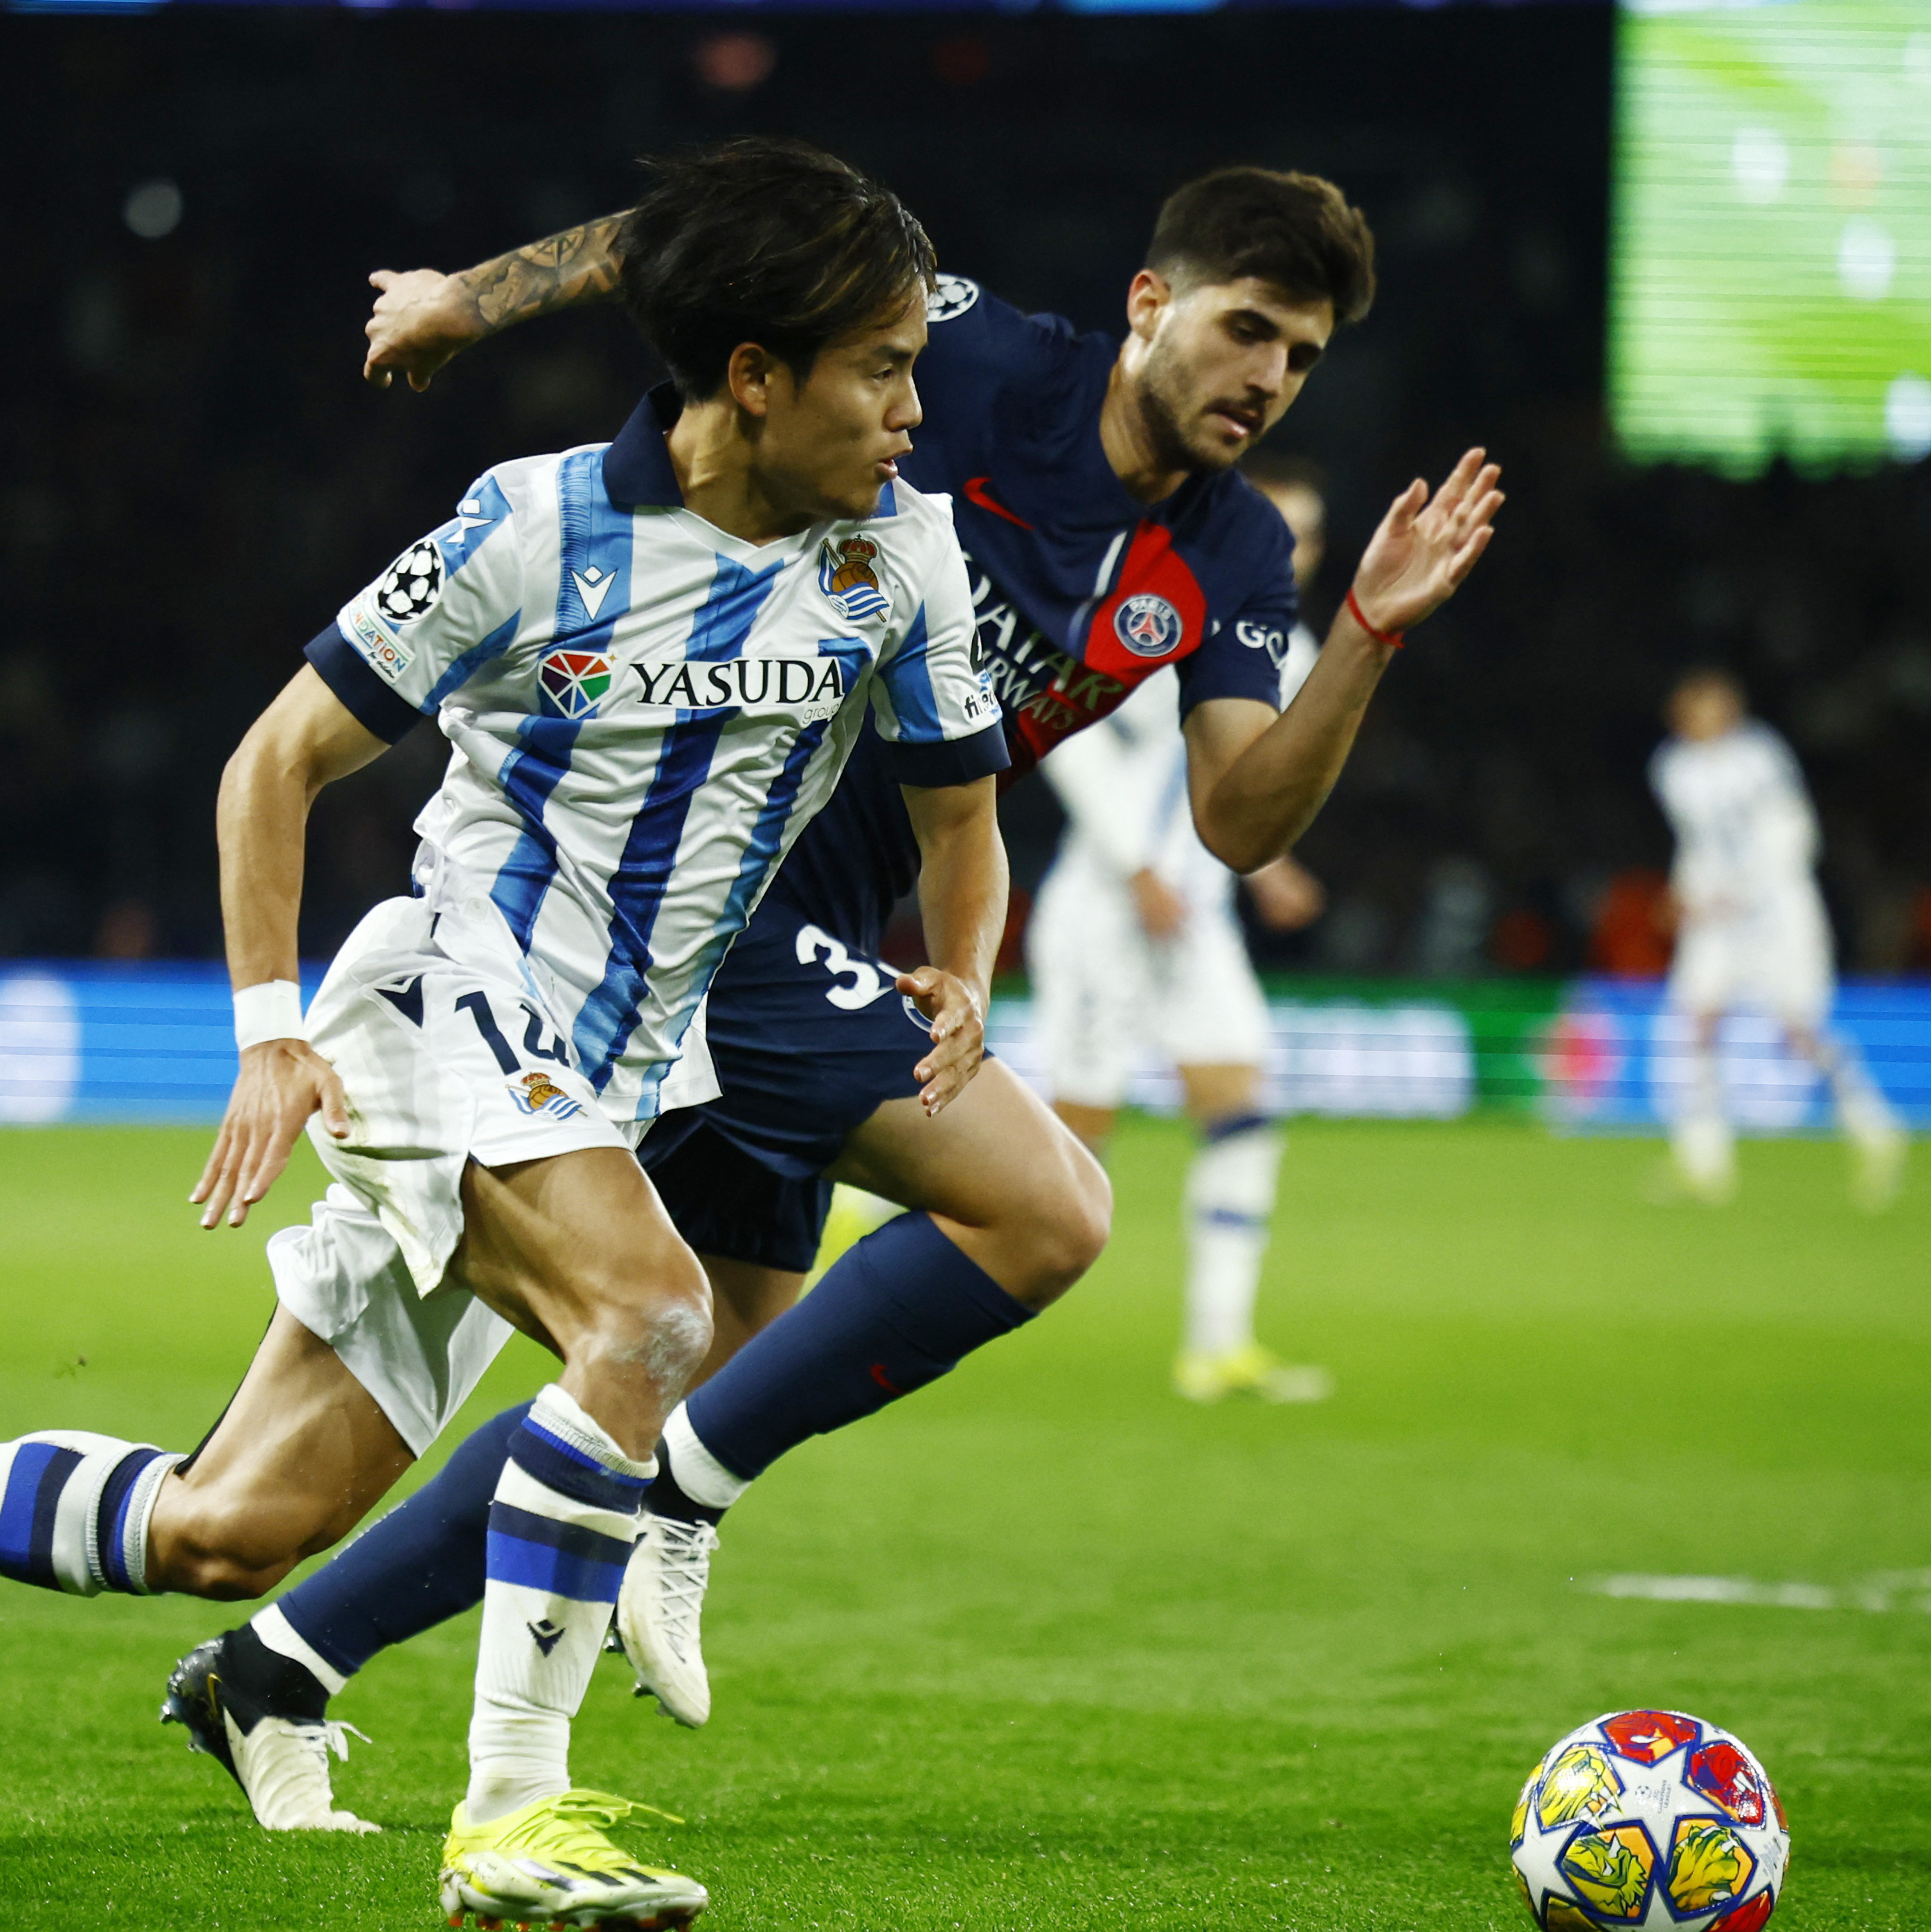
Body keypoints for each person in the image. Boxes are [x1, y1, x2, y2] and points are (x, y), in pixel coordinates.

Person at [0, 139, 1014, 1932]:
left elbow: (960, 810)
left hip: (623, 1073)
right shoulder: (527, 531)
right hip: (444, 1015)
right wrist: (268, 1033)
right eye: (880, 366)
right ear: (753, 377)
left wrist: (956, 968)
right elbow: (275, 762)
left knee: (227, 1531)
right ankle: (513, 1815)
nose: (913, 404)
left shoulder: (901, 559)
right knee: (648, 1323)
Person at [155, 165, 1502, 1833]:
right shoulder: (984, 354)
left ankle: (282, 1660)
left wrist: (1364, 627)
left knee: (674, 1369)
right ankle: (613, 1617)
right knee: (1045, 1213)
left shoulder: (1226, 545)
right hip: (719, 909)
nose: (1267, 379)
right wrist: (464, 301)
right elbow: (712, 250)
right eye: (1246, 331)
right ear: (1153, 304)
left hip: (832, 925)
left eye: (1299, 360)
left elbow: (1239, 817)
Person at [1027, 454, 1334, 1405]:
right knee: (1067, 1154)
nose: (1293, 551)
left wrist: (1269, 869)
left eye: (1309, 534)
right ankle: (882, 1209)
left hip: (1193, 921)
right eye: (1277, 529)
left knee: (1244, 1115)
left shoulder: (1301, 652)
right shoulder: (1153, 611)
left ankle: (1216, 1346)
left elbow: (1229, 788)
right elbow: (1063, 730)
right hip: (1105, 913)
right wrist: (1138, 864)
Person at [1651, 667, 1907, 1209]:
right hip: (1716, 921)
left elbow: (1794, 836)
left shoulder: (1760, 758)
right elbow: (1697, 844)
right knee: (1692, 1025)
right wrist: (1685, 894)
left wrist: (1743, 893)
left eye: (1711, 706)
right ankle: (1704, 1166)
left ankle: (1877, 1131)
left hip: (1778, 914)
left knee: (1799, 1033)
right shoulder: (1673, 769)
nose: (1700, 718)